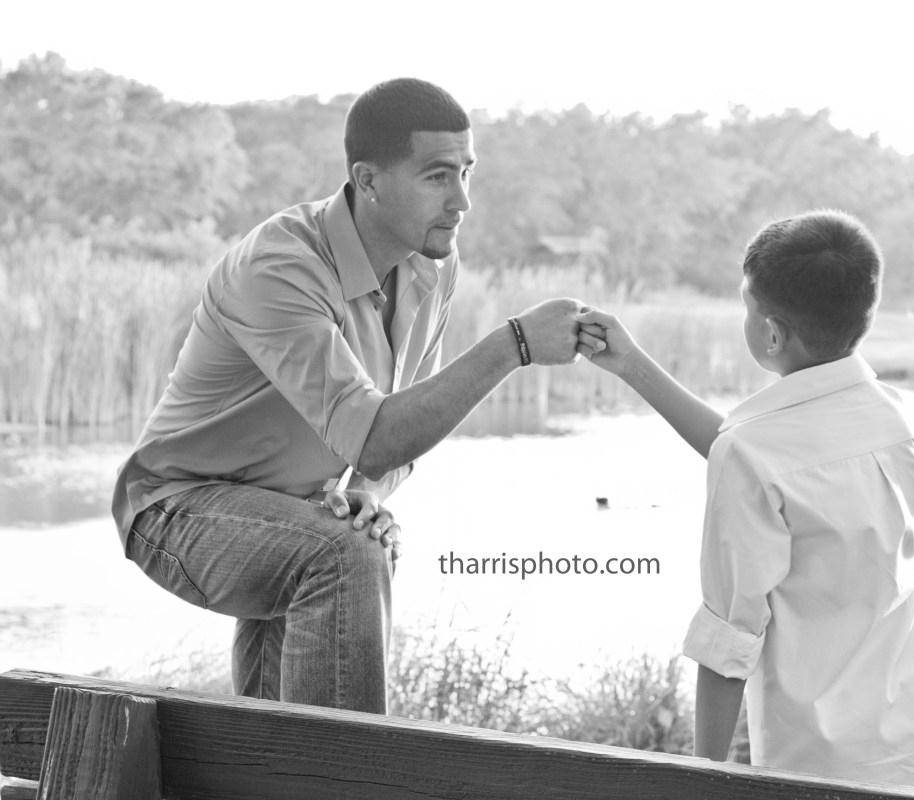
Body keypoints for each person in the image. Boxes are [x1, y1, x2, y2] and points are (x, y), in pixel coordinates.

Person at [112, 77, 592, 714]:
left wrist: (367, 496)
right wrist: (515, 345)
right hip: (176, 509)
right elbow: (377, 432)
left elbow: (399, 434)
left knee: (346, 552)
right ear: (367, 180)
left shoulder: (435, 268)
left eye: (467, 172)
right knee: (345, 558)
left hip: (296, 513)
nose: (462, 201)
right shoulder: (281, 263)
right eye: (437, 176)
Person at [575, 210, 914, 791]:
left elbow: (729, 640)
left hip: (819, 772)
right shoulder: (891, 417)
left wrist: (702, 779)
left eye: (746, 306)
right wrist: (632, 365)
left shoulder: (754, 455)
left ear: (773, 333)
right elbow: (767, 461)